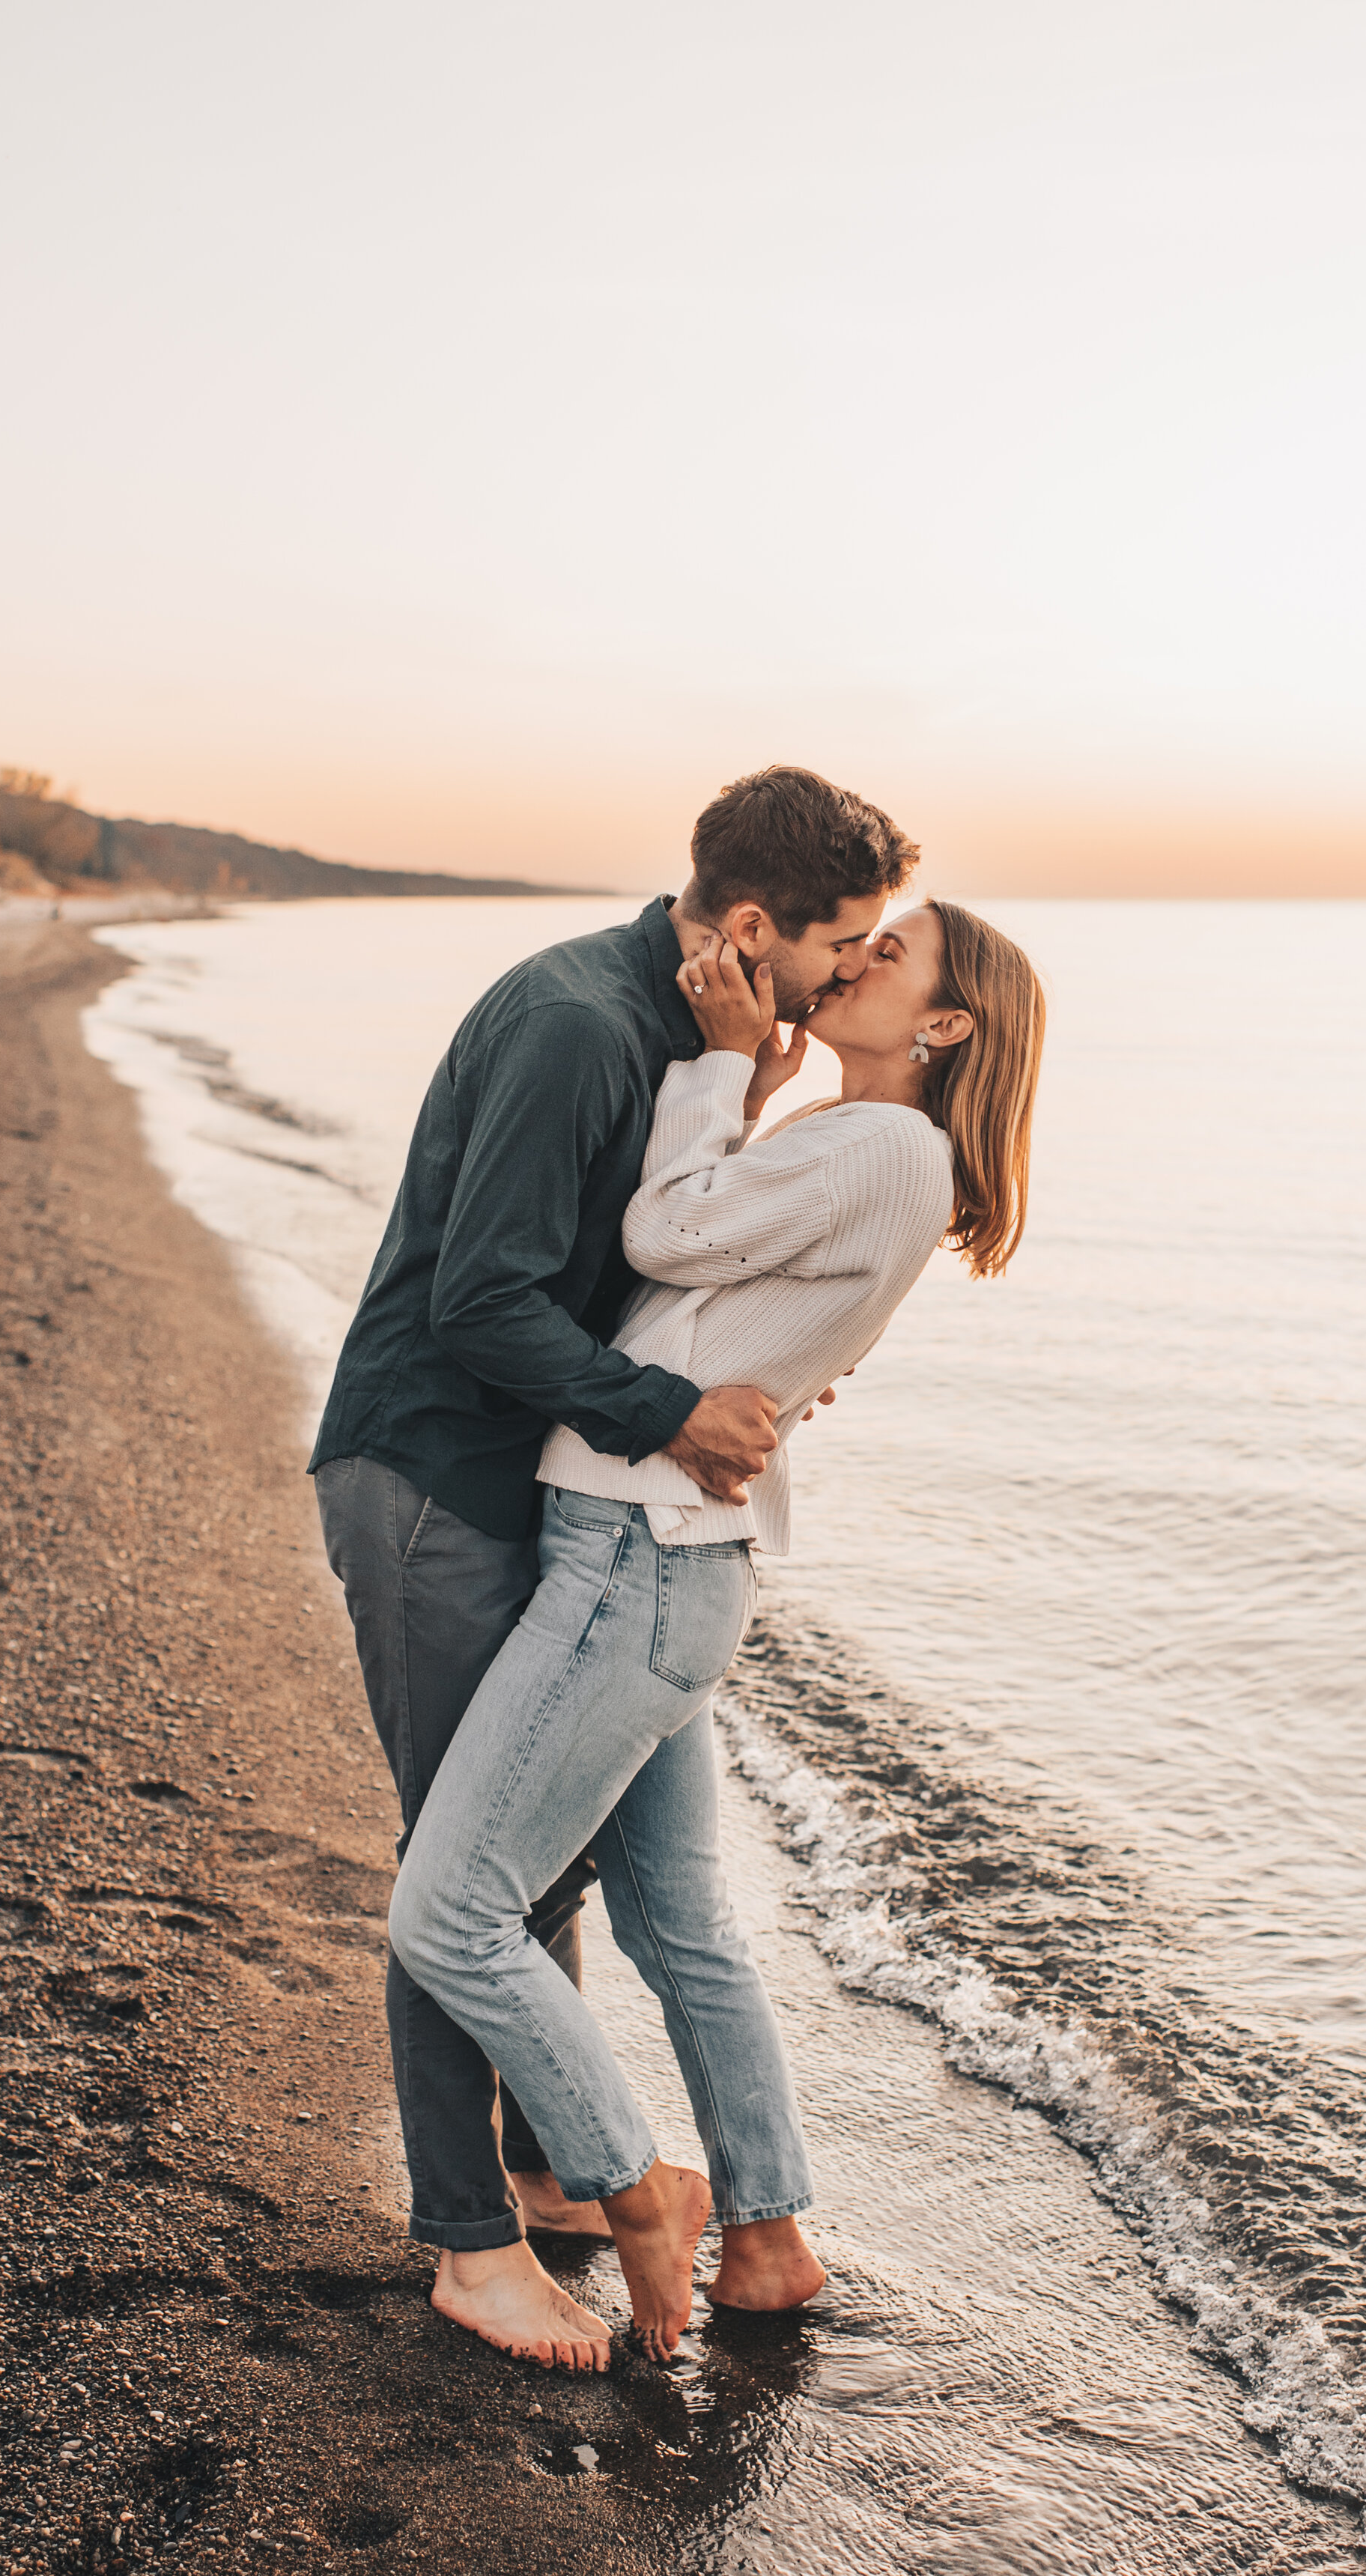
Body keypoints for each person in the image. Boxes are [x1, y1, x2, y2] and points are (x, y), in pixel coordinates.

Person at [310, 765, 920, 2366]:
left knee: (525, 1851)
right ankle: (467, 2236)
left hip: (534, 1483)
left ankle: (537, 2165)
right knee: (457, 1868)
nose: (850, 965)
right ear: (746, 924)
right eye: (839, 940)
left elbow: (674, 1262)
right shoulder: (580, 1026)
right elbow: (485, 1304)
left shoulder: (693, 1042)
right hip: (431, 1470)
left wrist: (761, 1360)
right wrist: (680, 1409)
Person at [389, 898, 1046, 2365]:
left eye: (897, 954)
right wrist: (751, 1095)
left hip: (630, 1561)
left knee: (447, 1912)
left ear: (944, 1025)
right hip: (672, 1557)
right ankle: (767, 2233)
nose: (860, 956)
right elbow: (703, 1305)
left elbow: (657, 1229)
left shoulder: (881, 1143)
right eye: (863, 938)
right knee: (680, 1926)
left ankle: (638, 2181)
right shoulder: (860, 1145)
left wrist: (718, 1068)